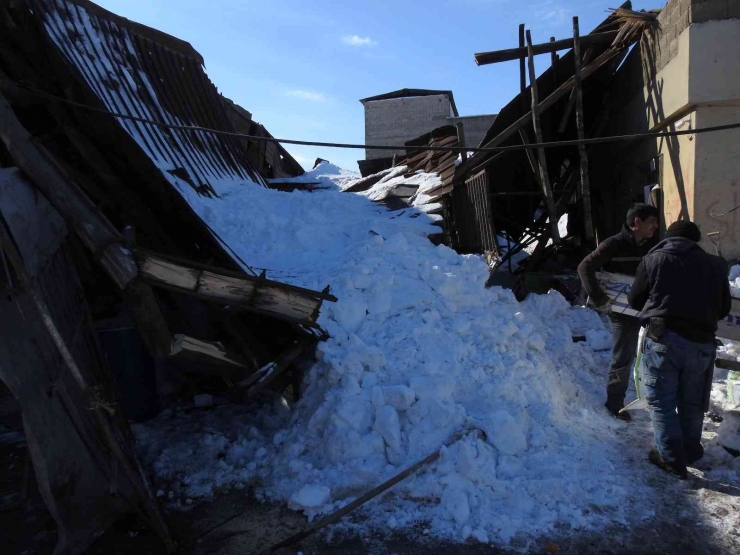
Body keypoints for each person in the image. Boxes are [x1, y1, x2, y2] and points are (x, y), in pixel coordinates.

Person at [628, 220, 730, 479]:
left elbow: (635, 300)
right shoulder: (716, 265)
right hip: (701, 344)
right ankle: (690, 451)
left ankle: (671, 459)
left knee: (662, 403)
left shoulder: (653, 259)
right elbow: (724, 309)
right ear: (695, 240)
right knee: (692, 403)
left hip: (664, 340)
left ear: (668, 237)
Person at [578, 204, 660, 421]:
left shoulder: (653, 245)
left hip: (648, 308)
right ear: (637, 223)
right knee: (624, 356)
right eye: (652, 221)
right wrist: (599, 298)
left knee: (656, 355)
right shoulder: (614, 244)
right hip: (622, 311)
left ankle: (658, 402)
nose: (656, 226)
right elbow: (584, 267)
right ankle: (614, 402)